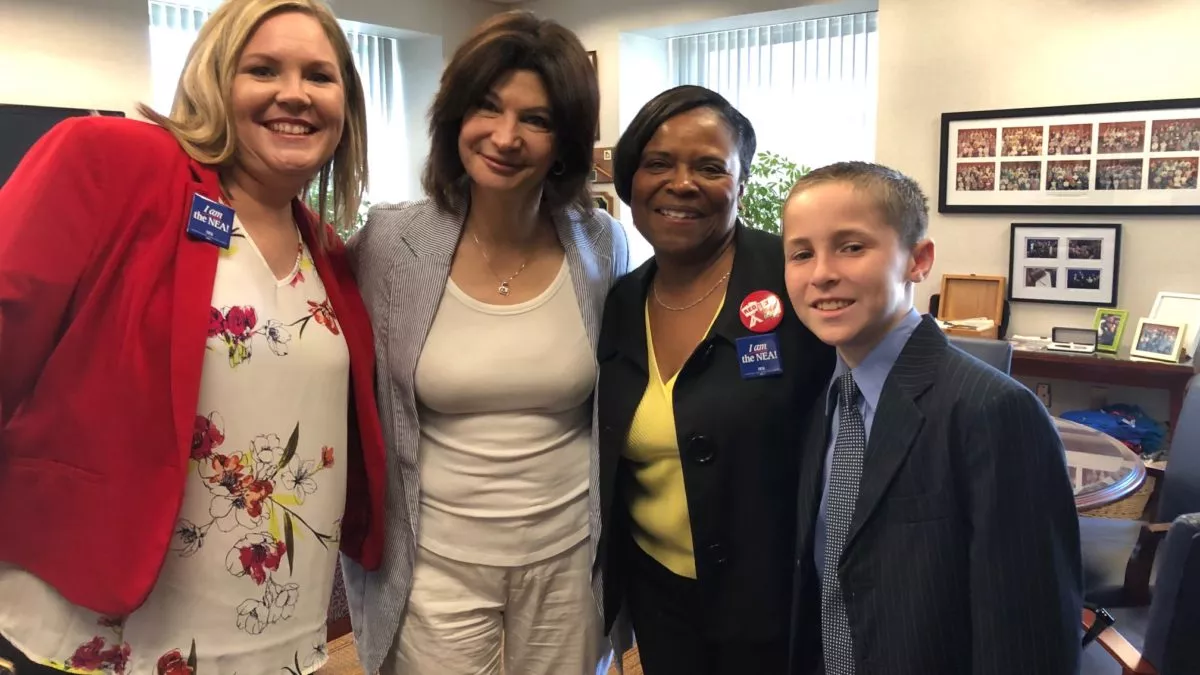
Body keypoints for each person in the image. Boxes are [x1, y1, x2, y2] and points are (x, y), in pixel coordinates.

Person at [0, 1, 386, 673]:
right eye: (262, 69)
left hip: (275, 623)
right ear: (214, 80)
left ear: (346, 106)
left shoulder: (327, 251)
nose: (294, 93)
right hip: (110, 621)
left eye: (319, 76)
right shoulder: (116, 162)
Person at [341, 10, 628, 675]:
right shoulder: (389, 245)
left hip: (566, 557)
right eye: (488, 108)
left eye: (537, 119)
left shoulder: (600, 243)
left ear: (566, 141)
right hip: (436, 559)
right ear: (454, 118)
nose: (506, 137)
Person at [780, 161, 1082, 675]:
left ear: (918, 260)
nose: (822, 272)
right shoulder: (819, 398)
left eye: (852, 246)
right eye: (801, 253)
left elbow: (1029, 632)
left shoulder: (992, 411)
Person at [595, 85, 834, 674]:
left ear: (742, 183)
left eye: (709, 167)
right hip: (661, 596)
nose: (681, 184)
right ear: (629, 182)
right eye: (657, 164)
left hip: (786, 602)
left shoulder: (795, 280)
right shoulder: (620, 302)